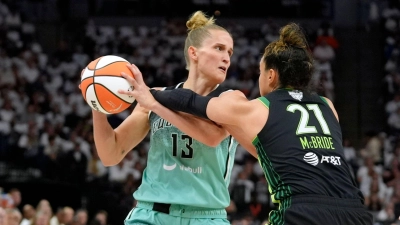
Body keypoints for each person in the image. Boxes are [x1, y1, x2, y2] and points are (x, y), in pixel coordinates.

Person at [121, 23, 373, 224]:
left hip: (302, 211)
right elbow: (274, 151)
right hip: (354, 209)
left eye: (261, 72)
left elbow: (190, 101)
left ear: (272, 75)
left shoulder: (257, 108)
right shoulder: (328, 107)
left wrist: (151, 95)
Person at [92, 10, 238, 225]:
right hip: (150, 214)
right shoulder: (154, 97)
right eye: (219, 48)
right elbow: (110, 154)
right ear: (194, 53)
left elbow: (212, 137)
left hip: (205, 216)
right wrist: (97, 102)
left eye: (230, 52)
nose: (226, 57)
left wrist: (155, 105)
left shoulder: (231, 99)